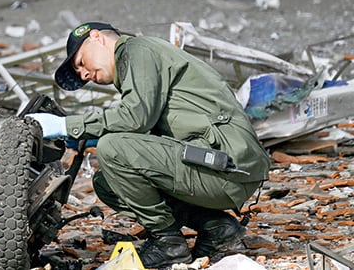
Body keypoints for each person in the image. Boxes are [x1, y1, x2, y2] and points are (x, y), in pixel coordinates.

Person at [26, 22, 271, 267]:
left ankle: (168, 244)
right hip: (220, 168)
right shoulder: (140, 62)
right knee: (107, 183)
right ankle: (218, 229)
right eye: (80, 74)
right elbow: (148, 129)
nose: (84, 75)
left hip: (226, 164)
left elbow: (136, 117)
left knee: (112, 148)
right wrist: (88, 134)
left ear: (97, 37)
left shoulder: (137, 50)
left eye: (80, 63)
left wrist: (67, 125)